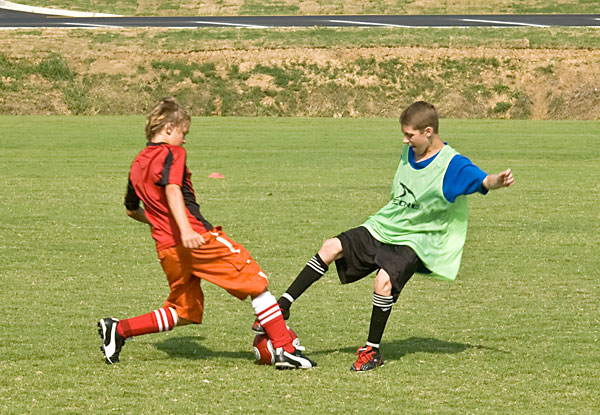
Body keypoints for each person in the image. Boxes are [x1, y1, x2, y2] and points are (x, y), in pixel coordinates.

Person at [267, 101, 514, 371]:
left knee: (383, 282)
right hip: (385, 224)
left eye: (410, 135)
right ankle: (283, 306)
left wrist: (495, 181)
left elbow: (481, 180)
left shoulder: (452, 165)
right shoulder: (411, 152)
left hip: (416, 238)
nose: (405, 139)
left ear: (428, 131)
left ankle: (371, 351)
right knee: (330, 247)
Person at [97, 97, 316, 369]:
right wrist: (186, 229)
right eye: (183, 133)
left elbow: (131, 210)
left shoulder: (137, 163)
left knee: (184, 310)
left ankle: (119, 330)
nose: (184, 140)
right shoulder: (171, 153)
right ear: (168, 128)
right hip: (196, 239)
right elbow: (172, 189)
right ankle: (284, 349)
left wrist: (161, 225)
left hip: (167, 248)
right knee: (256, 279)